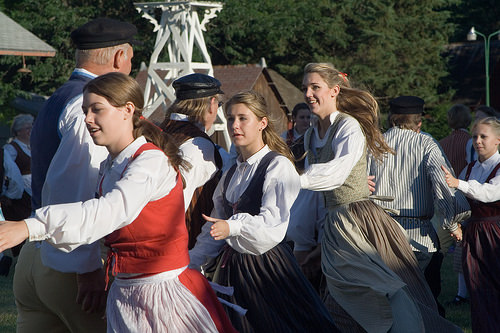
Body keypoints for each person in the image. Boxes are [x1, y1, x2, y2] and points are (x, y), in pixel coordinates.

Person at [0, 72, 236, 332]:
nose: (88, 119)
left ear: (128, 110)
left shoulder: (150, 162)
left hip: (161, 296)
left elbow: (109, 211)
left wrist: (30, 226)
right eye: (85, 110)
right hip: (126, 291)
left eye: (97, 110)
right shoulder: (110, 163)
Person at [301, 63, 462, 332]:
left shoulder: (348, 127)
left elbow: (337, 170)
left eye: (315, 87)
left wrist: (455, 219)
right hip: (334, 224)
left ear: (334, 90)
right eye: (305, 88)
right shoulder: (310, 134)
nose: (308, 93)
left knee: (378, 289)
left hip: (357, 221)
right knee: (342, 296)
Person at [13, 18, 137, 332]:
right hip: (66, 262)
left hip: (33, 256)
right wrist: (87, 266)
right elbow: (81, 186)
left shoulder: (58, 97)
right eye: (132, 60)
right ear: (120, 58)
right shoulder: (89, 106)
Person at [189, 90, 338, 332]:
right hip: (232, 271)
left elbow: (272, 225)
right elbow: (212, 230)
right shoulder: (231, 174)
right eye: (230, 119)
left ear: (262, 123)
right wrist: (191, 263)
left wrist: (234, 226)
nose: (234, 125)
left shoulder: (277, 165)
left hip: (267, 269)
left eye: (242, 118)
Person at [368, 96, 470, 317]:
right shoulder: (425, 143)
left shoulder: (375, 144)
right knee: (425, 307)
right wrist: (453, 222)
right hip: (418, 239)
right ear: (419, 122)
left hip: (380, 237)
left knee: (387, 309)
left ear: (392, 118)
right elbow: (444, 183)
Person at [442, 116, 500, 333]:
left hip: (495, 231)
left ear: (498, 140)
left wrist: (459, 183)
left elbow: (490, 192)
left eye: (484, 136)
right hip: (473, 232)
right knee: (478, 288)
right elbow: (454, 200)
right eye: (475, 136)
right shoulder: (470, 168)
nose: (478, 141)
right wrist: (455, 224)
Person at [160, 73, 224, 249]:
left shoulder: (157, 131)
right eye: (219, 104)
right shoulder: (198, 145)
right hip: (180, 252)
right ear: (212, 104)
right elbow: (174, 201)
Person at [439, 103, 472, 306]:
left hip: (443, 198)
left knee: (446, 247)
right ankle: (464, 291)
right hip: (465, 196)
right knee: (465, 246)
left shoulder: (441, 142)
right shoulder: (471, 142)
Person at [1, 114, 34, 257]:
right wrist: (9, 194)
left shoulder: (33, 146)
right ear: (18, 131)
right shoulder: (11, 148)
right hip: (20, 193)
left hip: (34, 189)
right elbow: (9, 173)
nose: (30, 130)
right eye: (27, 128)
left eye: (31, 127)